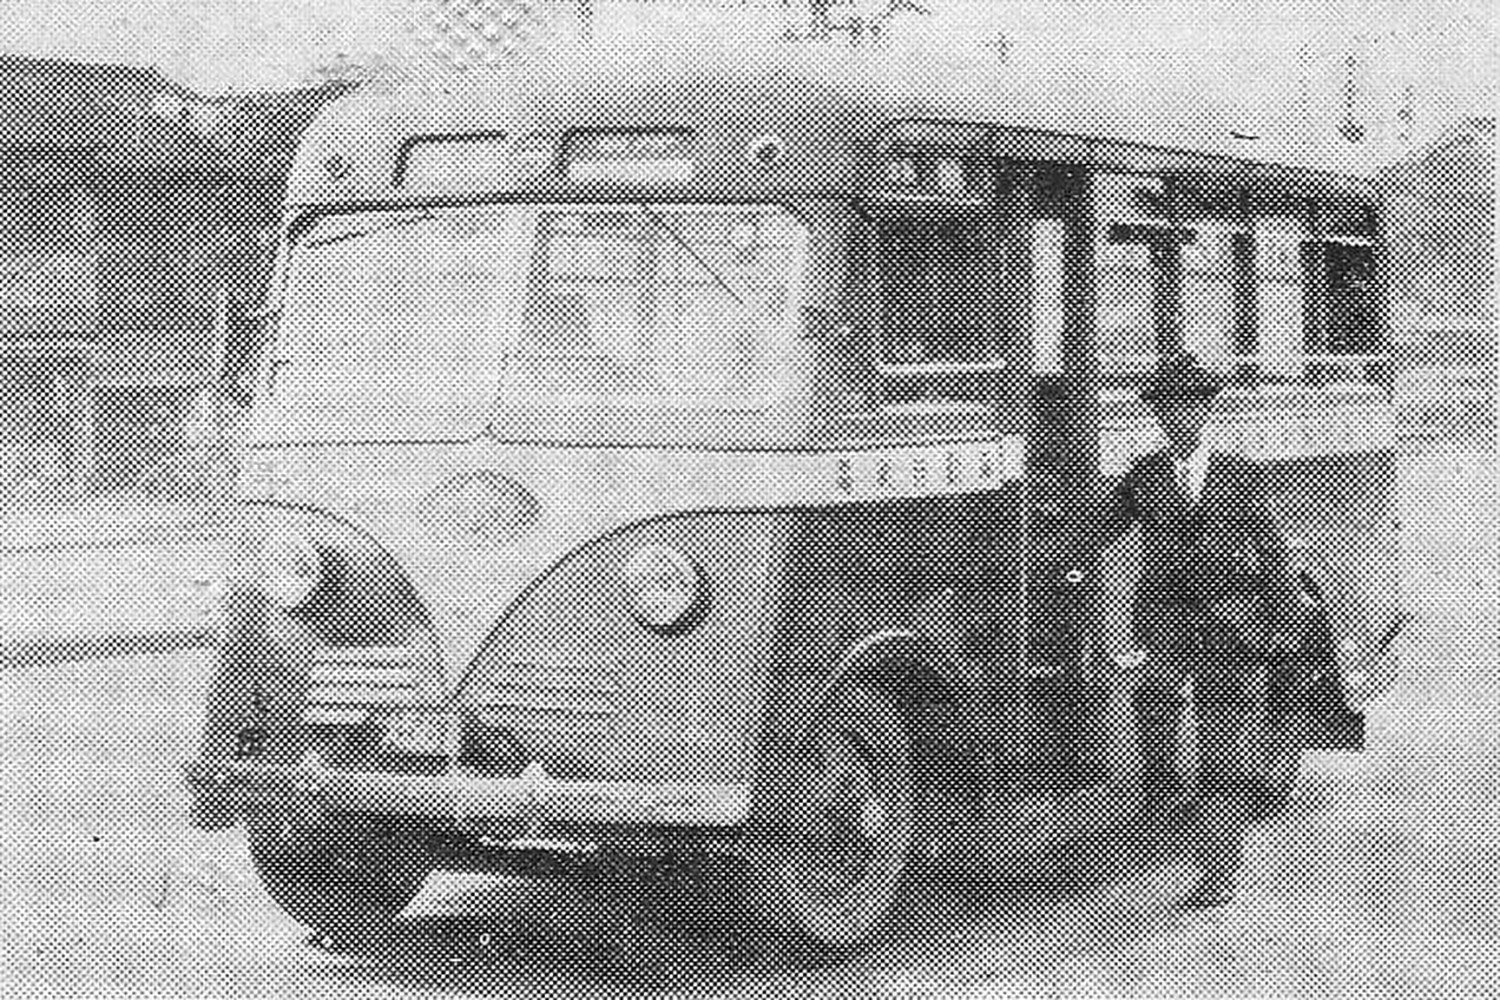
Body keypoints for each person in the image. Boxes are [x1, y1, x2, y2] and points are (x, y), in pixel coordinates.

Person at [1096, 352, 1297, 909]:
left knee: (1220, 742)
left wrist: (1282, 623)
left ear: (1207, 410)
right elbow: (1104, 534)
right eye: (1164, 409)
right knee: (1154, 711)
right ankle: (1164, 809)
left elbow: (1273, 551)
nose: (1175, 419)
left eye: (1186, 407)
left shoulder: (1240, 473)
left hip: (1231, 628)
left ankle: (1221, 866)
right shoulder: (1144, 475)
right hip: (1163, 625)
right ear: (1156, 415)